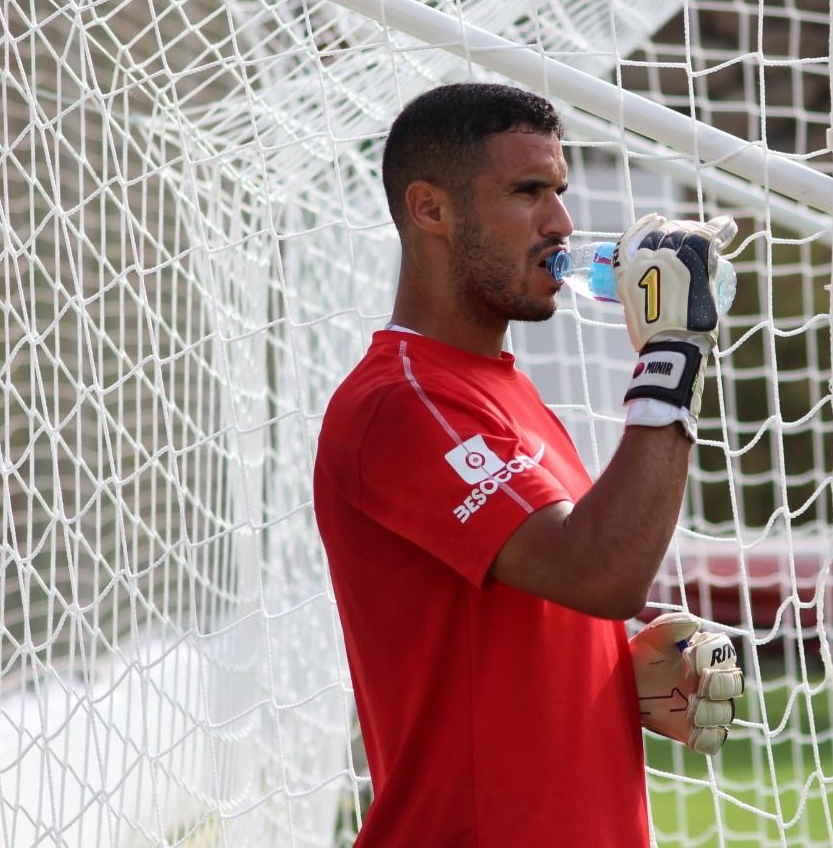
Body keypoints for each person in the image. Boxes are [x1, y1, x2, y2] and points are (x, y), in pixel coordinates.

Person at [312, 83, 743, 846]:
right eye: (527, 192)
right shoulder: (400, 403)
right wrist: (673, 355)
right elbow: (601, 572)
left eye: (560, 191)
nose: (563, 224)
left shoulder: (505, 393)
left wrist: (616, 668)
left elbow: (562, 601)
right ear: (430, 210)